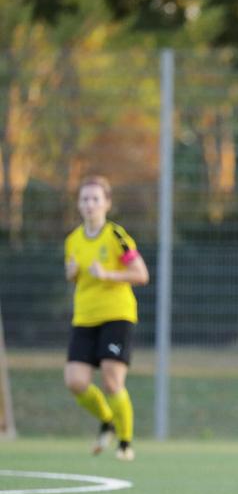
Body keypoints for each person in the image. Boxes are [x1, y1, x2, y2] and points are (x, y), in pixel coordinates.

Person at [64, 176, 149, 461]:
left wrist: (109, 274)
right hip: (85, 318)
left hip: (117, 315)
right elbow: (73, 276)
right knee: (75, 382)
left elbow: (141, 274)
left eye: (95, 199)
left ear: (107, 204)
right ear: (79, 204)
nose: (90, 204)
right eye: (85, 199)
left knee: (112, 382)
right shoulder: (73, 241)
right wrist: (72, 273)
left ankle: (125, 443)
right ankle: (107, 420)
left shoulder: (116, 237)